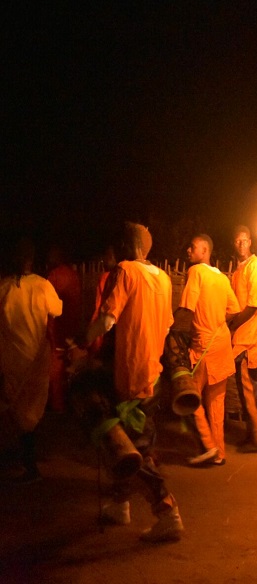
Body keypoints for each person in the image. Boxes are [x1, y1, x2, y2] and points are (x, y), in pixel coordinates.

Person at [84, 222, 183, 542]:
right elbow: (166, 326)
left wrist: (81, 342)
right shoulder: (163, 278)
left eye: (119, 244)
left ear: (128, 246)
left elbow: (107, 320)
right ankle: (121, 504)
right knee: (133, 442)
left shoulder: (125, 271)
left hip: (129, 376)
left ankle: (168, 512)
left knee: (132, 452)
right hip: (152, 374)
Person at [0, 239, 63, 482]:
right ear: (31, 261)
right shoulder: (42, 285)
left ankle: (25, 459)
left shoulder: (4, 287)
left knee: (14, 408)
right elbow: (57, 310)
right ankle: (29, 462)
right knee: (31, 412)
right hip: (35, 359)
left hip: (11, 360)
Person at [180, 234, 239, 466]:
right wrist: (217, 321)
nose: (188, 250)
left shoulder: (196, 272)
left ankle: (208, 445)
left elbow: (186, 308)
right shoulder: (222, 278)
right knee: (216, 402)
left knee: (190, 396)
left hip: (203, 345)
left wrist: (169, 328)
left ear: (205, 251)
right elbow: (234, 309)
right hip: (221, 343)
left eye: (192, 247)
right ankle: (219, 453)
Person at [228, 226, 257, 454]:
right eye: (237, 241)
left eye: (244, 240)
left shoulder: (255, 266)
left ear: (251, 242)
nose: (241, 244)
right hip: (243, 336)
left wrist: (233, 324)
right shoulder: (239, 270)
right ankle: (253, 433)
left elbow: (253, 305)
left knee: (248, 388)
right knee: (248, 389)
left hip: (250, 337)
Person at [45, 245, 81, 412]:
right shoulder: (73, 275)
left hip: (57, 330)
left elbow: (48, 306)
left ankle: (58, 406)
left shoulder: (54, 276)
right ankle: (69, 403)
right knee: (68, 369)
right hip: (71, 328)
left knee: (56, 371)